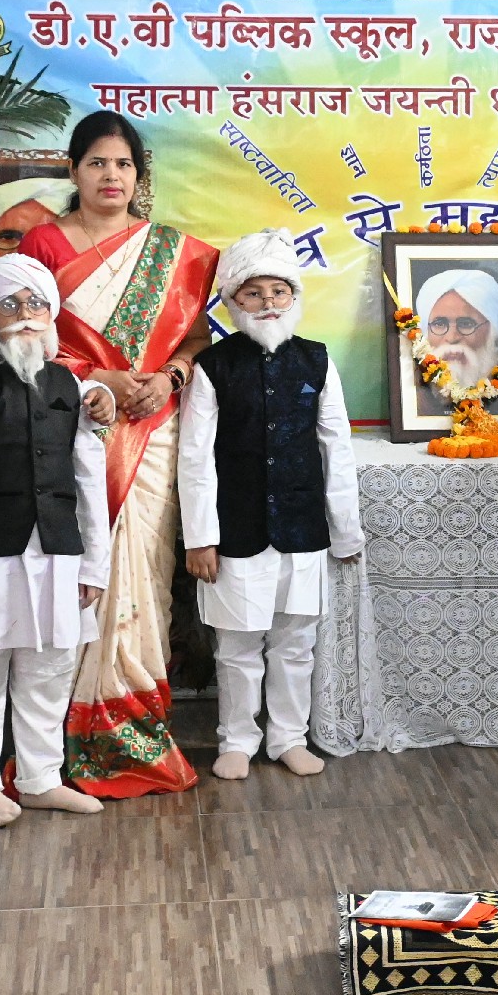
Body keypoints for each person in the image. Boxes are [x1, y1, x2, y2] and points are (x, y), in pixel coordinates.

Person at [19, 111, 214, 798]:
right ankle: (53, 746)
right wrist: (97, 375)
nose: (111, 175)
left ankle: (136, 733)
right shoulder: (42, 244)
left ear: (139, 175)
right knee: (75, 577)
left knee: (142, 575)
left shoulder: (173, 253)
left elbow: (195, 339)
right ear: (73, 170)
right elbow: (22, 333)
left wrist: (170, 378)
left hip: (151, 429)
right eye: (97, 163)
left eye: (123, 164)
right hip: (69, 427)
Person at [180, 229, 364, 781]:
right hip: (234, 531)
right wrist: (200, 538)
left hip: (302, 527)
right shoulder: (213, 366)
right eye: (253, 293)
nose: (267, 303)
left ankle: (288, 738)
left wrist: (346, 531)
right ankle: (237, 740)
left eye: (278, 292)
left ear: (293, 296)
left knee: (295, 643)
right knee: (236, 645)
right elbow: (195, 458)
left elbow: (336, 448)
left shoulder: (316, 360)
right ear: (234, 301)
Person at [0, 255, 112, 824]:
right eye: (9, 305)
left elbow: (90, 480)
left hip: (59, 552)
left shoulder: (73, 386)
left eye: (35, 303)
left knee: (50, 669)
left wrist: (95, 565)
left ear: (51, 314)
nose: (24, 314)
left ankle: (41, 778)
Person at [409, 268, 498, 416]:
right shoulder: (411, 399)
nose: (452, 337)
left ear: (491, 332)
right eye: (439, 324)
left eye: (466, 324)